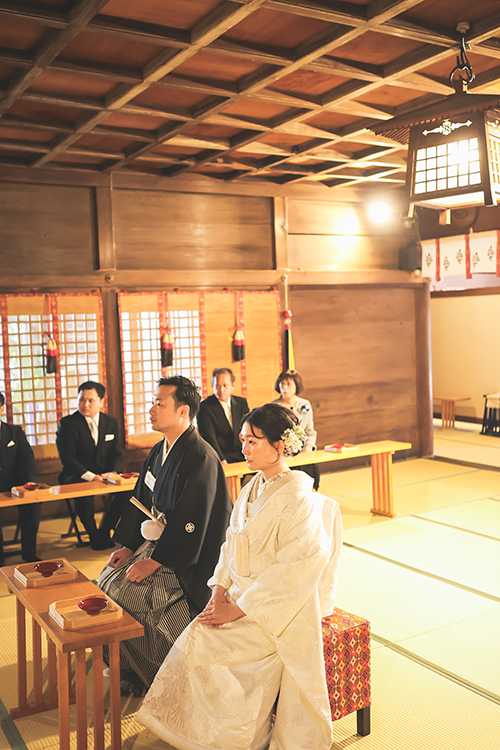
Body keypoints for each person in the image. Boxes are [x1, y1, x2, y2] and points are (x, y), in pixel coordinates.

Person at [137, 403, 343, 750]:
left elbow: (296, 568)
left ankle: (235, 739)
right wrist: (219, 589)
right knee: (195, 636)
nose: (244, 449)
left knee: (210, 648)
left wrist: (240, 608)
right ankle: (196, 732)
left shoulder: (299, 501)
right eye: (244, 440)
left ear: (280, 446)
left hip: (275, 611)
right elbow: (229, 546)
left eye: (253, 442)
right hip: (239, 596)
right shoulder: (251, 488)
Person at [98, 375, 232, 697]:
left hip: (190, 558)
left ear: (183, 411)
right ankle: (132, 669)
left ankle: (167, 680)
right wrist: (130, 545)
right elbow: (141, 498)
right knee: (106, 582)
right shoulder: (160, 451)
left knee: (133, 597)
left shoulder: (201, 457)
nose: (152, 408)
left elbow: (193, 523)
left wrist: (156, 561)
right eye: (153, 401)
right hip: (157, 544)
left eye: (160, 403)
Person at [56, 380, 123, 550]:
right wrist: (91, 476)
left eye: (91, 400)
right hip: (77, 474)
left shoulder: (111, 422)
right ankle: (94, 536)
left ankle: (106, 529)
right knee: (84, 491)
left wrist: (112, 472)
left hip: (105, 474)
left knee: (128, 492)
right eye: (81, 399)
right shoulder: (68, 424)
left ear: (101, 401)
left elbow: (117, 453)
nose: (85, 404)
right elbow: (68, 459)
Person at [0, 392, 41, 565]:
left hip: (14, 483)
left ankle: (29, 553)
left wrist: (29, 481)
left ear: (1, 408)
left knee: (33, 501)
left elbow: (27, 459)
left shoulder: (15, 432)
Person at [273, 369, 320, 490]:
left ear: (296, 386)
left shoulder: (305, 404)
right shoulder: (274, 407)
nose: (285, 388)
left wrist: (308, 446)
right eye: (282, 384)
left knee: (310, 467)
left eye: (289, 384)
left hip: (303, 451)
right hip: (284, 453)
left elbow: (310, 431)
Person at [197, 367, 249, 463]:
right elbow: (208, 436)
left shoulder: (241, 403)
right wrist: (221, 459)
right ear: (212, 385)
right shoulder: (204, 407)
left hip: (242, 452)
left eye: (225, 385)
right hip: (221, 455)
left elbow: (248, 429)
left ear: (233, 386)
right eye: (217, 385)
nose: (221, 389)